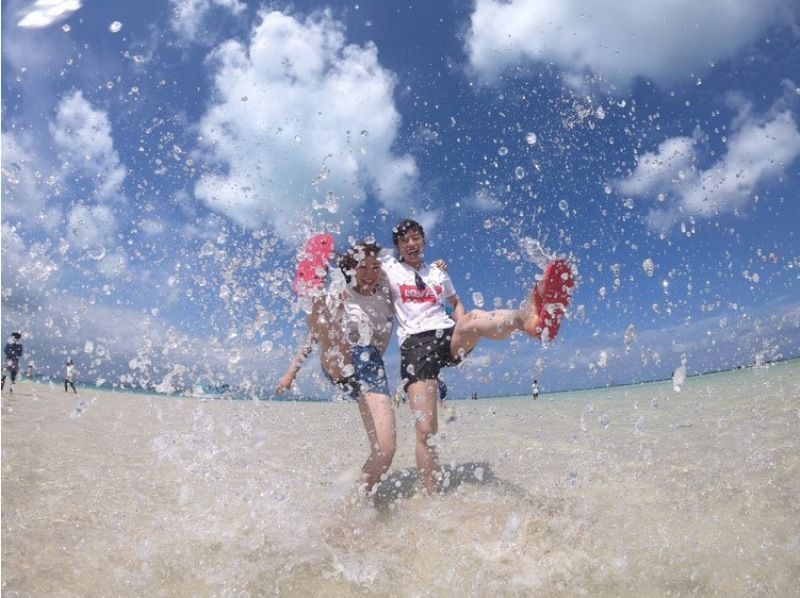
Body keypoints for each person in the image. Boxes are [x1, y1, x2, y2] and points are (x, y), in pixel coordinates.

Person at [382, 218, 574, 494]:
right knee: (426, 430)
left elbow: (456, 301)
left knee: (472, 319)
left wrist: (457, 324)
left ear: (423, 240)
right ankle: (433, 495)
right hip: (415, 347)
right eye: (404, 240)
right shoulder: (390, 271)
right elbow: (362, 273)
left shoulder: (438, 274)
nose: (411, 244)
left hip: (447, 335)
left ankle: (528, 321)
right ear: (398, 246)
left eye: (416, 238)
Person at [277, 239, 397, 495]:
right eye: (362, 267)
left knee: (385, 450)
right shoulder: (341, 294)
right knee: (330, 326)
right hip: (340, 361)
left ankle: (357, 499)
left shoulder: (387, 294)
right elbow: (313, 336)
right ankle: (311, 291)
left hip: (372, 368)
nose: (369, 273)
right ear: (352, 269)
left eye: (375, 267)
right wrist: (290, 373)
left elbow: (408, 285)